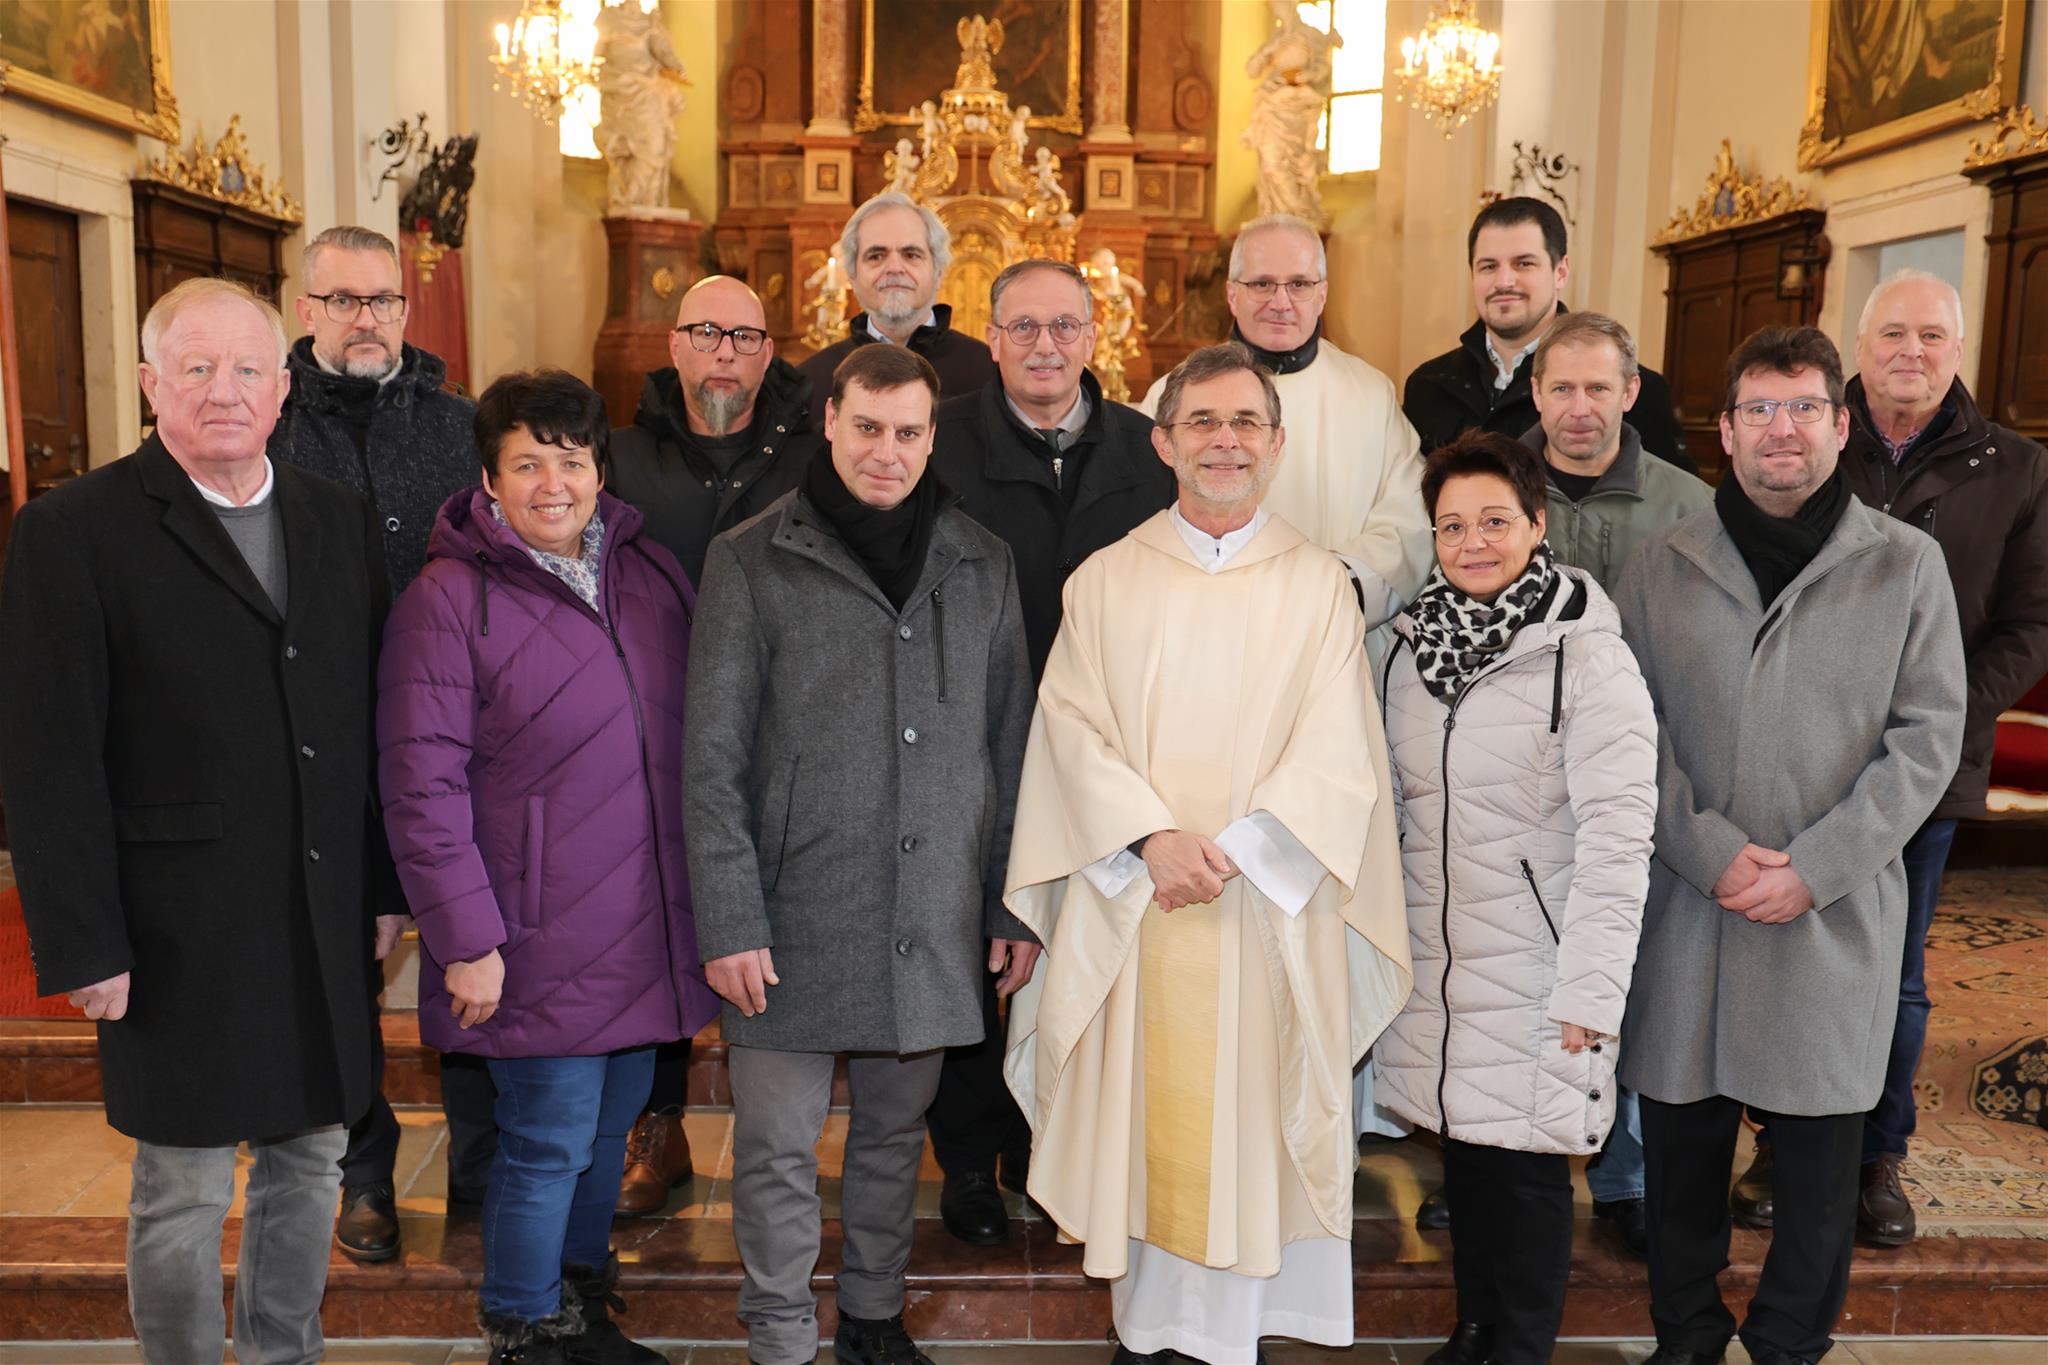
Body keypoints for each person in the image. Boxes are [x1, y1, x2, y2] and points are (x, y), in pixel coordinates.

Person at [0, 276, 402, 1365]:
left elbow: (360, 723)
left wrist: (376, 889)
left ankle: (283, 1353)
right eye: (195, 368)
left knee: (312, 1156)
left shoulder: (336, 518)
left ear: (284, 388)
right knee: (179, 1187)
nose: (223, 391)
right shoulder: (71, 531)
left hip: (313, 906)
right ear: (149, 384)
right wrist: (84, 942)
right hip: (168, 926)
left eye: (246, 370)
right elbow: (46, 762)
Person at [1004, 342, 1413, 1365]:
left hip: (1266, 909)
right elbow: (1068, 732)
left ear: (1276, 447)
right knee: (1148, 1125)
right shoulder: (1105, 581)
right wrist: (1150, 842)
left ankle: (1242, 1331)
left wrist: (1230, 854)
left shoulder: (1319, 586)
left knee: (1257, 1120)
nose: (1223, 443)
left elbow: (1337, 751)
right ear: (1162, 441)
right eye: (1201, 423)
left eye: (1243, 425)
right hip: (1142, 907)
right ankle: (1149, 1329)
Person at [1615, 326, 1966, 1365]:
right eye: (1759, 409)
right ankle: (1684, 1334)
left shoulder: (1903, 566)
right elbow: (1626, 734)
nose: (1781, 429)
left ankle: (1785, 1344)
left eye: (1802, 407)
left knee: (1817, 1166)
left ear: (1838, 424)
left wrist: (1813, 867)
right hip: (1692, 904)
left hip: (1832, 910)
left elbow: (1925, 739)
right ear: (1722, 431)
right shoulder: (1656, 568)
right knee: (1680, 1153)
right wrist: (1706, 850)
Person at [684, 344, 1037, 1365]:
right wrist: (730, 918)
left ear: (933, 435)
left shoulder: (982, 562)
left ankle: (873, 1320)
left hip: (928, 904)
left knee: (893, 1135)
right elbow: (709, 757)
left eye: (908, 433)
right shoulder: (750, 558)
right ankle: (783, 1335)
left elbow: (1009, 746)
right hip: (789, 908)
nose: (887, 453)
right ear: (828, 423)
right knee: (776, 1148)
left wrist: (1006, 905)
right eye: (868, 429)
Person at [376, 369, 719, 1365]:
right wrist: (467, 938)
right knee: (545, 1146)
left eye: (570, 459)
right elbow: (419, 786)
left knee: (607, 1140)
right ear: (488, 479)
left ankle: (577, 1299)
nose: (552, 483)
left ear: (597, 468)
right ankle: (523, 1326)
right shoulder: (447, 598)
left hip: (644, 920)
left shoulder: (649, 575)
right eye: (526, 463)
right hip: (533, 933)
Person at [1730, 270, 2048, 1248]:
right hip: (1797, 756)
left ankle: (1876, 1159)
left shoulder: (2015, 468)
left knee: (1893, 972)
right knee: (1786, 953)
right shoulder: (1803, 435)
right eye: (1890, 334)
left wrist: (1936, 718)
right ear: (1855, 345)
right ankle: (1778, 1150)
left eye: (1930, 335)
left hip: (1926, 766)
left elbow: (2029, 626)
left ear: (1957, 348)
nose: (1909, 351)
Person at [1373, 431, 1658, 1365]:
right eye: (1451, 524)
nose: (1473, 541)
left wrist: (1592, 988)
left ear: (1538, 523)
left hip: (1539, 964)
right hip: (1439, 958)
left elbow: (1621, 838)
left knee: (1527, 1174)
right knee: (1468, 1157)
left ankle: (1518, 1346)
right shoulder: (1408, 653)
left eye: (1495, 519)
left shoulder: (1587, 654)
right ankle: (1476, 1328)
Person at [923, 259, 1175, 1244]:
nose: (1042, 345)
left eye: (1061, 326)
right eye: (1021, 327)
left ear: (1092, 333)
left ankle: (1047, 1142)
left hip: (1107, 749)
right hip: (975, 735)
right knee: (973, 954)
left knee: (1082, 946)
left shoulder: (1146, 454)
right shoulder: (940, 443)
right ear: (991, 339)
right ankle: (968, 1160)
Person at [267, 221, 488, 1262]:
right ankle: (364, 1167)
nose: (367, 320)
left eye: (384, 301)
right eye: (344, 301)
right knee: (338, 964)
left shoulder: (460, 427)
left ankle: (484, 1156)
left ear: (407, 308)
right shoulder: (263, 425)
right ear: (304, 311)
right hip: (314, 745)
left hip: (451, 738)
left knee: (472, 941)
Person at [604, 274, 825, 1214]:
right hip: (646, 724)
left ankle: (786, 1111)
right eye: (707, 332)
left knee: (765, 912)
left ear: (770, 351)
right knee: (652, 923)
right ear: (676, 345)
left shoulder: (815, 456)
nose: (725, 351)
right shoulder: (618, 455)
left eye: (744, 336)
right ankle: (657, 1122)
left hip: (784, 729)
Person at [1520, 311, 1713, 1260]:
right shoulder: (1496, 485)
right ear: (1535, 392)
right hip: (1510, 782)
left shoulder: (1686, 505)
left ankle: (1625, 1173)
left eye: (1601, 388)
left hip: (1637, 777)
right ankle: (1503, 1155)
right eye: (1563, 387)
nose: (1581, 407)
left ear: (1632, 394)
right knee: (1513, 971)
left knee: (1628, 973)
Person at [1138, 213, 1431, 629]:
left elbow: (1406, 523)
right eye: (1261, 284)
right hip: (1207, 621)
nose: (1281, 302)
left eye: (1299, 284)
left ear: (1323, 294)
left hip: (1334, 621)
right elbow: (1146, 517)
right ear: (1231, 294)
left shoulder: (1370, 394)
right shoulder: (1177, 394)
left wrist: (1323, 590)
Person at [1404, 197, 1696, 475]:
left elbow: (1674, 509)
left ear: (1561, 271)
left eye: (1523, 264)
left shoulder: (1631, 391)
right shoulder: (1428, 386)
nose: (1504, 281)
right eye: (1489, 266)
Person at [795, 191, 996, 424]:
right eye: (876, 256)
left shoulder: (989, 374)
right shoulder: (810, 382)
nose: (894, 268)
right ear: (852, 275)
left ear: (939, 272)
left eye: (911, 254)